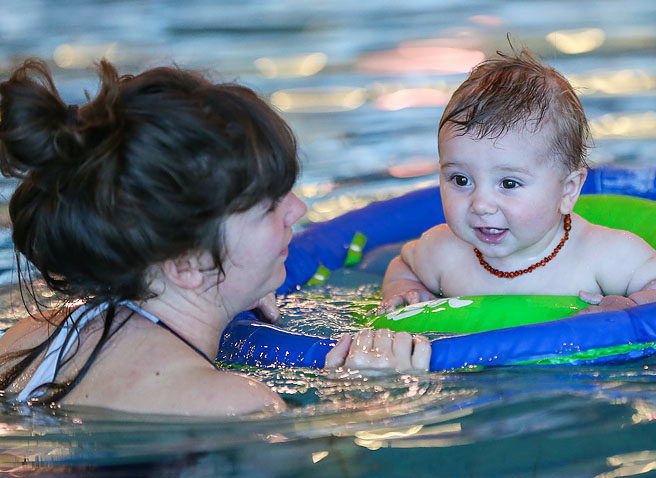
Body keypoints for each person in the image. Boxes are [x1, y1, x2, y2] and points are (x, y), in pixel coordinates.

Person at [0, 60, 430, 416]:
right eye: (268, 206)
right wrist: (367, 395)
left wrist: (230, 288)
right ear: (188, 265)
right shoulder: (236, 403)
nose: (297, 209)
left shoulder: (28, 338)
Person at [380, 49, 656, 313]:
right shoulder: (442, 252)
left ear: (568, 191)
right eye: (460, 179)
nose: (480, 204)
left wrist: (632, 305)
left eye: (508, 183)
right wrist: (405, 288)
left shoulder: (601, 254)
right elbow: (403, 263)